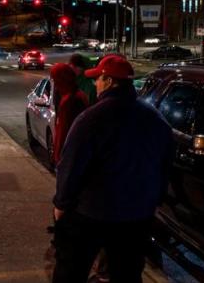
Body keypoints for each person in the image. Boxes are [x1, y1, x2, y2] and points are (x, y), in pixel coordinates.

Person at [53, 55, 174, 283]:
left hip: (92, 211)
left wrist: (61, 203)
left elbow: (71, 165)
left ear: (108, 81)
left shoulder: (91, 118)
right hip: (136, 215)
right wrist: (153, 200)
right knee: (127, 273)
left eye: (98, 79)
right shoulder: (156, 119)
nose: (96, 85)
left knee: (71, 270)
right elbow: (165, 165)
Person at [50, 63, 89, 167]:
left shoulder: (71, 100)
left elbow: (66, 131)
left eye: (55, 79)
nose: (55, 83)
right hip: (69, 156)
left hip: (70, 158)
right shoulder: (72, 95)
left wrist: (59, 157)